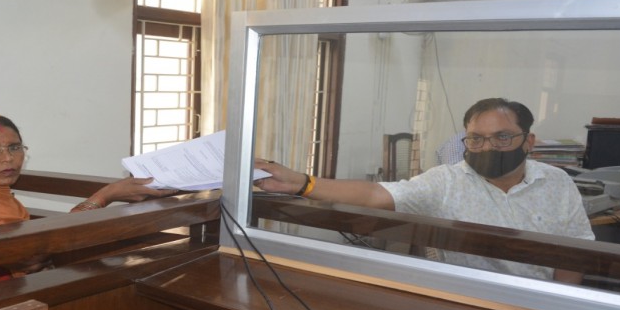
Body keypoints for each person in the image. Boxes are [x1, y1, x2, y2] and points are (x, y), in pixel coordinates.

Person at [254, 98, 594, 283]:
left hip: (541, 302)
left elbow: (575, 251)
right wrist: (303, 183)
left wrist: (559, 305)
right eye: (476, 139)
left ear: (528, 141)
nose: (488, 147)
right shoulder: (446, 181)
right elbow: (376, 195)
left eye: (502, 137)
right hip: (470, 303)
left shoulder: (557, 182)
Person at [0, 113, 175, 303]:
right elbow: (34, 254)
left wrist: (108, 194)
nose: (7, 158)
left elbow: (37, 245)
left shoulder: (3, 199)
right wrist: (106, 194)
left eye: (15, 147)